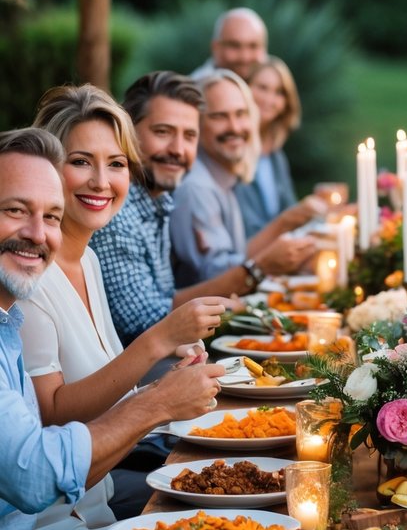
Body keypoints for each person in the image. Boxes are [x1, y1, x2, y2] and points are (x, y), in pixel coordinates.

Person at [0, 127, 222, 530]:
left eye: (49, 216)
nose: (38, 233)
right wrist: (154, 406)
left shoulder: (7, 319)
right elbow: (33, 476)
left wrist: (156, 398)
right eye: (14, 211)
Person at [18, 84, 227, 525]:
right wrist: (157, 342)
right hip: (56, 526)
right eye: (80, 162)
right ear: (47, 172)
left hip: (101, 496)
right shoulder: (29, 279)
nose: (101, 181)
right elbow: (51, 414)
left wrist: (165, 387)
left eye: (116, 164)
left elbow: (106, 389)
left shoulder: (88, 259)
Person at [92, 71, 304, 345]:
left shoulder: (160, 201)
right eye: (163, 132)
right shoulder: (117, 214)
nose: (178, 149)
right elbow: (146, 324)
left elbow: (166, 304)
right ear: (128, 131)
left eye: (189, 135)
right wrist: (255, 271)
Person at [169, 69, 317, 286]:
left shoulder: (225, 178)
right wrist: (269, 261)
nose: (235, 127)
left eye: (241, 114)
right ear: (196, 124)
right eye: (219, 116)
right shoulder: (196, 187)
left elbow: (236, 256)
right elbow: (214, 276)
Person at [236, 56, 302, 236]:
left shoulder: (276, 156)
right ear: (246, 88)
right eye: (262, 88)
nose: (269, 99)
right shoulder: (234, 151)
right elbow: (246, 227)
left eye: (279, 92)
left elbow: (290, 209)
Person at [191, 7, 268, 82]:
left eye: (253, 46)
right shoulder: (196, 90)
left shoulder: (276, 82)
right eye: (235, 46)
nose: (245, 57)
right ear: (215, 48)